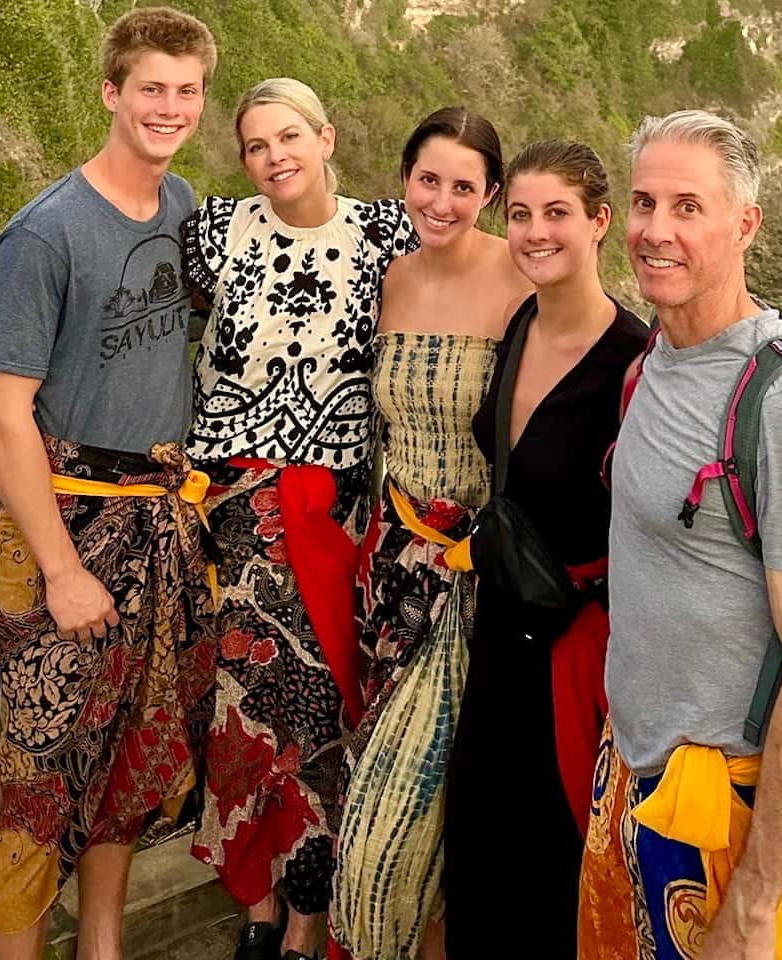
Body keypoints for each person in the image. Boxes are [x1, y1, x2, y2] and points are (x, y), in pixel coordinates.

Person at [579, 111, 782, 960]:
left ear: (745, 224)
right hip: (634, 775)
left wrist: (750, 908)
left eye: (686, 207)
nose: (654, 232)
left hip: (729, 820)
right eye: (642, 203)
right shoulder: (655, 360)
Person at [0, 6, 220, 960]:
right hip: (61, 526)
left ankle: (102, 947)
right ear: (110, 92)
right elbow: (3, 415)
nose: (169, 107)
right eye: (150, 88)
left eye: (186, 91)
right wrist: (62, 567)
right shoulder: (45, 234)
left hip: (157, 516)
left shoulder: (186, 209)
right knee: (37, 773)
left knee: (125, 754)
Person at [184, 79, 416, 960]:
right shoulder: (216, 233)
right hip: (234, 511)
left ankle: (308, 913)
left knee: (320, 706)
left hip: (331, 507)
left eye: (290, 137)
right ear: (242, 160)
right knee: (244, 707)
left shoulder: (386, 234)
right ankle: (258, 903)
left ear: (326, 137)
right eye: (255, 146)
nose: (275, 157)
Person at [330, 108, 527, 960]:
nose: (442, 201)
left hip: (480, 577)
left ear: (491, 194)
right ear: (405, 177)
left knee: (403, 818)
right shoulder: (390, 276)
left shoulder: (525, 278)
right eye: (427, 180)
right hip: (393, 566)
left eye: (463, 186)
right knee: (419, 807)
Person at [443, 141, 647, 960]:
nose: (534, 233)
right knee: (481, 855)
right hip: (499, 627)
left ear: (599, 222)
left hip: (579, 648)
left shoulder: (635, 362)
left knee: (557, 866)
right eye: (519, 214)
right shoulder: (518, 324)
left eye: (556, 213)